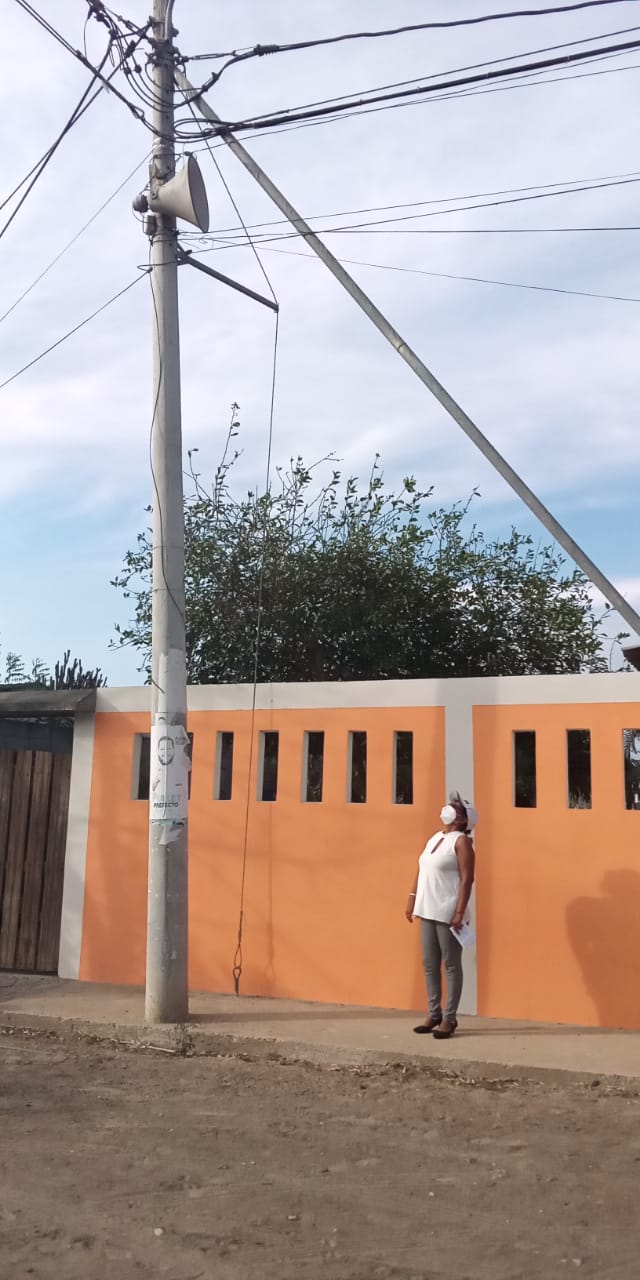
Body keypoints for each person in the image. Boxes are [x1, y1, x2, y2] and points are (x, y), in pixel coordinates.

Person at [405, 793, 477, 1040]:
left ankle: (449, 1018)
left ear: (463, 819)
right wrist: (412, 897)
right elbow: (421, 869)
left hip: (448, 911)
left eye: (456, 807)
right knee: (429, 963)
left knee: (451, 964)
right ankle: (434, 1013)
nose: (450, 808)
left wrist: (459, 912)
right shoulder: (436, 837)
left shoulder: (462, 842)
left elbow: (467, 879)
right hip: (427, 907)